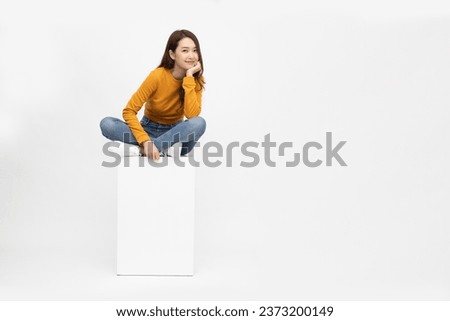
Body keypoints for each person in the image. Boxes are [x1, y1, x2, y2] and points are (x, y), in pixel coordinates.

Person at [100, 29, 206, 160]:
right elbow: (129, 111)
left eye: (195, 50)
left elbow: (192, 116)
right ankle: (163, 148)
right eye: (185, 50)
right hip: (148, 128)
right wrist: (145, 141)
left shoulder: (195, 81)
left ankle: (142, 150)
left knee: (199, 123)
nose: (191, 56)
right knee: (107, 124)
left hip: (175, 133)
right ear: (172, 54)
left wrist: (189, 78)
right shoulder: (157, 76)